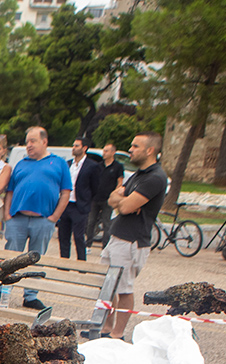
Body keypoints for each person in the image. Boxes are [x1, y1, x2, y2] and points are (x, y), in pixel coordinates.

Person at [98, 132, 167, 340]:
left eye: (135, 146)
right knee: (107, 285)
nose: (130, 150)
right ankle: (105, 329)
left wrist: (124, 201)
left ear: (149, 150)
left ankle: (118, 334)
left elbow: (126, 207)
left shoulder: (156, 177)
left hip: (132, 241)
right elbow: (112, 199)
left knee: (123, 288)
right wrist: (122, 200)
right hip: (116, 236)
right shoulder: (138, 175)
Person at [4, 126, 70, 306]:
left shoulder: (59, 163)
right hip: (17, 218)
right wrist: (7, 216)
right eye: (27, 142)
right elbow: (9, 191)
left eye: (32, 141)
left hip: (43, 220)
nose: (29, 145)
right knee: (11, 257)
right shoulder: (22, 163)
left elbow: (65, 192)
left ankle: (30, 296)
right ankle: (4, 292)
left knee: (36, 257)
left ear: (44, 142)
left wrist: (54, 218)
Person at [58, 137, 101, 261]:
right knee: (63, 236)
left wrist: (87, 200)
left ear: (84, 148)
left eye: (77, 146)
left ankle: (81, 263)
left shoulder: (92, 166)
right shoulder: (68, 164)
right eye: (73, 145)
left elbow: (95, 186)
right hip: (66, 204)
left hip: (79, 205)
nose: (74, 148)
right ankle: (64, 263)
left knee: (78, 236)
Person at [88, 142, 123, 249]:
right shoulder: (98, 166)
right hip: (95, 198)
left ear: (113, 152)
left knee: (106, 222)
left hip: (108, 199)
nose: (104, 153)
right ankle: (88, 243)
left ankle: (105, 245)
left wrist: (114, 195)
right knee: (90, 221)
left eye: (106, 151)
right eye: (104, 150)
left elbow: (120, 182)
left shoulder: (118, 166)